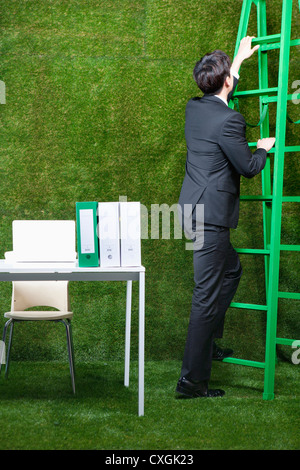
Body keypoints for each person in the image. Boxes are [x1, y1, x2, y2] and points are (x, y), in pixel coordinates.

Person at [176, 37, 275, 398]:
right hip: (210, 220)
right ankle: (191, 381)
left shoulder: (194, 107)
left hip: (194, 211)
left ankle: (206, 346)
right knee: (205, 296)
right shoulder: (230, 121)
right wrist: (263, 149)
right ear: (226, 85)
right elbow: (248, 167)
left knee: (230, 272)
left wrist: (237, 65)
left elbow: (217, 96)